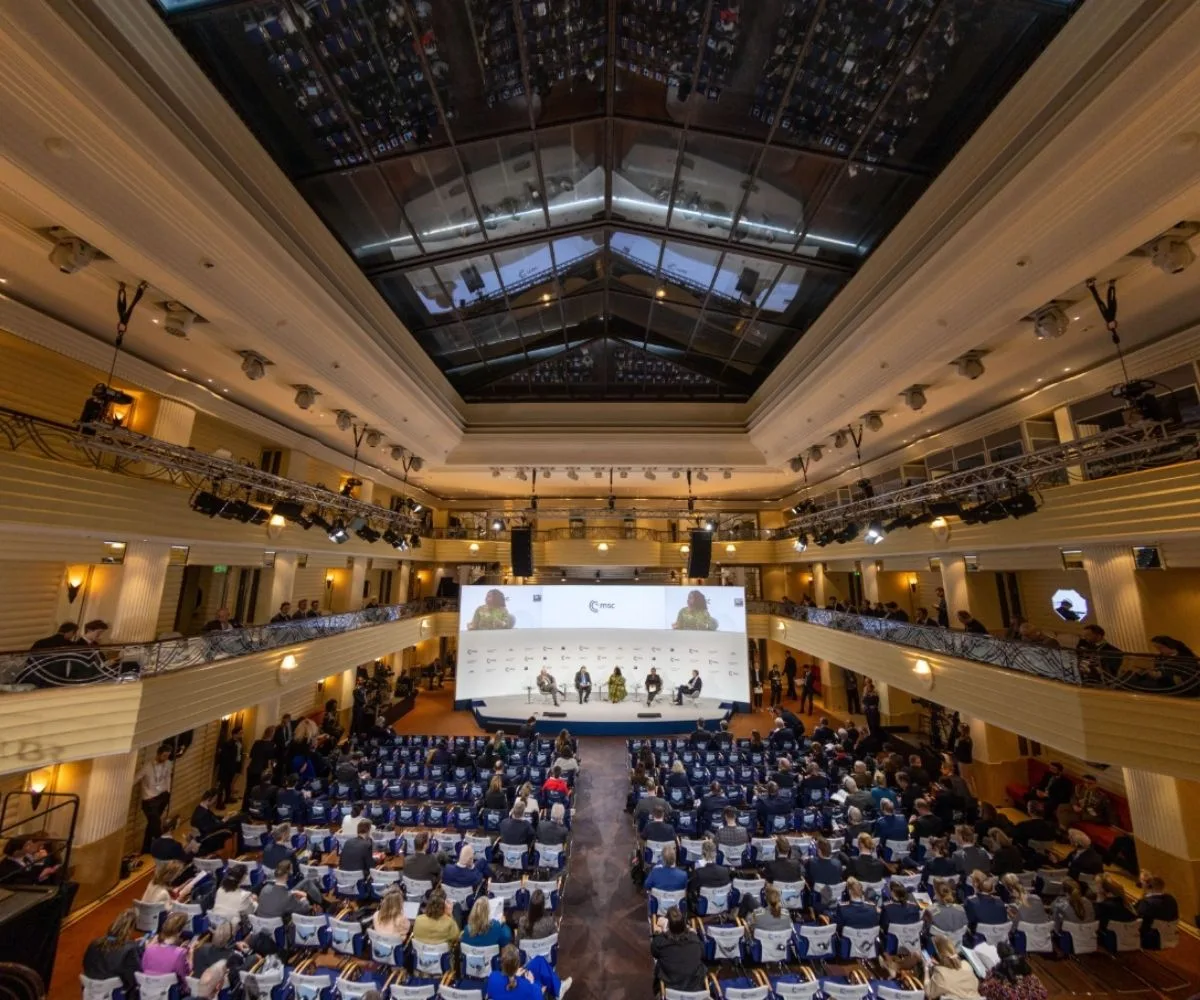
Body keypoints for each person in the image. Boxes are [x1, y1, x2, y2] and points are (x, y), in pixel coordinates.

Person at [83, 910, 141, 993]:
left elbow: (86, 966)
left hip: (89, 988)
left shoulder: (94, 943)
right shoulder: (130, 949)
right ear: (129, 930)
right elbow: (133, 979)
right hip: (113, 992)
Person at [485, 943, 570, 1000]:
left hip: (514, 979)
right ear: (518, 964)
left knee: (538, 961)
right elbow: (539, 997)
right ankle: (557, 990)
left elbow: (490, 994)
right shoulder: (528, 986)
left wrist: (515, 976)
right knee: (538, 980)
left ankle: (558, 988)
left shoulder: (493, 977)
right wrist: (532, 982)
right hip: (528, 989)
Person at [650, 907, 706, 992]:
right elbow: (703, 954)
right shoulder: (695, 940)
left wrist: (658, 933)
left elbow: (654, 953)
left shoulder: (660, 941)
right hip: (694, 989)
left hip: (670, 990)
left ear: (668, 925)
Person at [138, 744, 174, 855]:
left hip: (162, 797)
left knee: (151, 824)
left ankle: (146, 848)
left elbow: (168, 777)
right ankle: (164, 847)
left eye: (167, 756)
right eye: (164, 756)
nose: (165, 758)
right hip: (149, 799)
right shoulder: (147, 766)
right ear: (158, 754)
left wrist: (167, 791)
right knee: (156, 824)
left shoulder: (168, 764)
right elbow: (137, 777)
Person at [980, 942, 1047, 1000]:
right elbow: (1044, 994)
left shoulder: (1001, 987)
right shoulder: (1033, 979)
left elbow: (983, 989)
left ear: (1004, 966)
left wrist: (992, 973)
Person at [141, 912, 191, 986]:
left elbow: (143, 970)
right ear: (180, 931)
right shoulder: (180, 953)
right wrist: (190, 956)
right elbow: (184, 980)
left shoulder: (149, 948)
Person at [927, 934, 982, 1000]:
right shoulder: (967, 965)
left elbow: (929, 994)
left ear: (937, 955)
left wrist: (926, 970)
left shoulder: (940, 972)